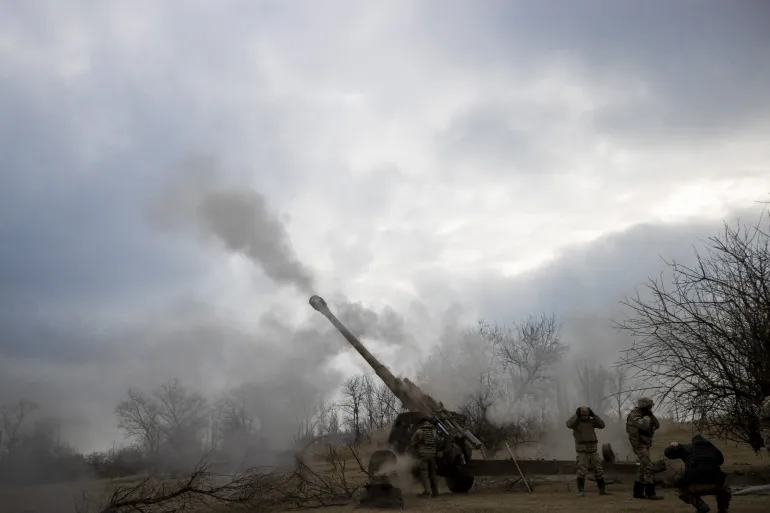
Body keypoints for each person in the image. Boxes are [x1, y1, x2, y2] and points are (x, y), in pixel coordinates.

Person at [664, 435, 731, 513]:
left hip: (695, 485)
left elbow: (668, 453)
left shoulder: (688, 447)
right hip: (716, 485)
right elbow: (721, 461)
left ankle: (700, 505)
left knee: (680, 488)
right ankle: (722, 508)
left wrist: (673, 446)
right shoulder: (713, 449)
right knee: (725, 485)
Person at [565, 406, 611, 496]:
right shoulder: (576, 422)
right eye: (583, 415)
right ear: (580, 414)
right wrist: (576, 415)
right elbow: (568, 424)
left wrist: (594, 415)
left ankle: (602, 490)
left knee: (599, 469)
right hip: (582, 449)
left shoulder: (591, 421)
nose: (585, 417)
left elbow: (602, 425)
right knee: (582, 470)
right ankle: (581, 491)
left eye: (587, 415)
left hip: (593, 449)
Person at [626, 396, 663, 500]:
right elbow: (644, 426)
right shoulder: (634, 415)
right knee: (648, 467)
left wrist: (650, 415)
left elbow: (657, 425)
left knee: (642, 468)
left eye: (651, 407)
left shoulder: (646, 413)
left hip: (645, 444)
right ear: (644, 406)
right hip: (639, 445)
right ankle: (650, 492)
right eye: (649, 406)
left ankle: (637, 493)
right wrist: (647, 417)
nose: (650, 408)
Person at [410, 417, 439, 497]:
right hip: (432, 455)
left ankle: (427, 492)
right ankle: (435, 492)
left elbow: (412, 444)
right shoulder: (434, 431)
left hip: (423, 455)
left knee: (424, 473)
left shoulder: (418, 431)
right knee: (433, 473)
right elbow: (438, 442)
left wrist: (416, 452)